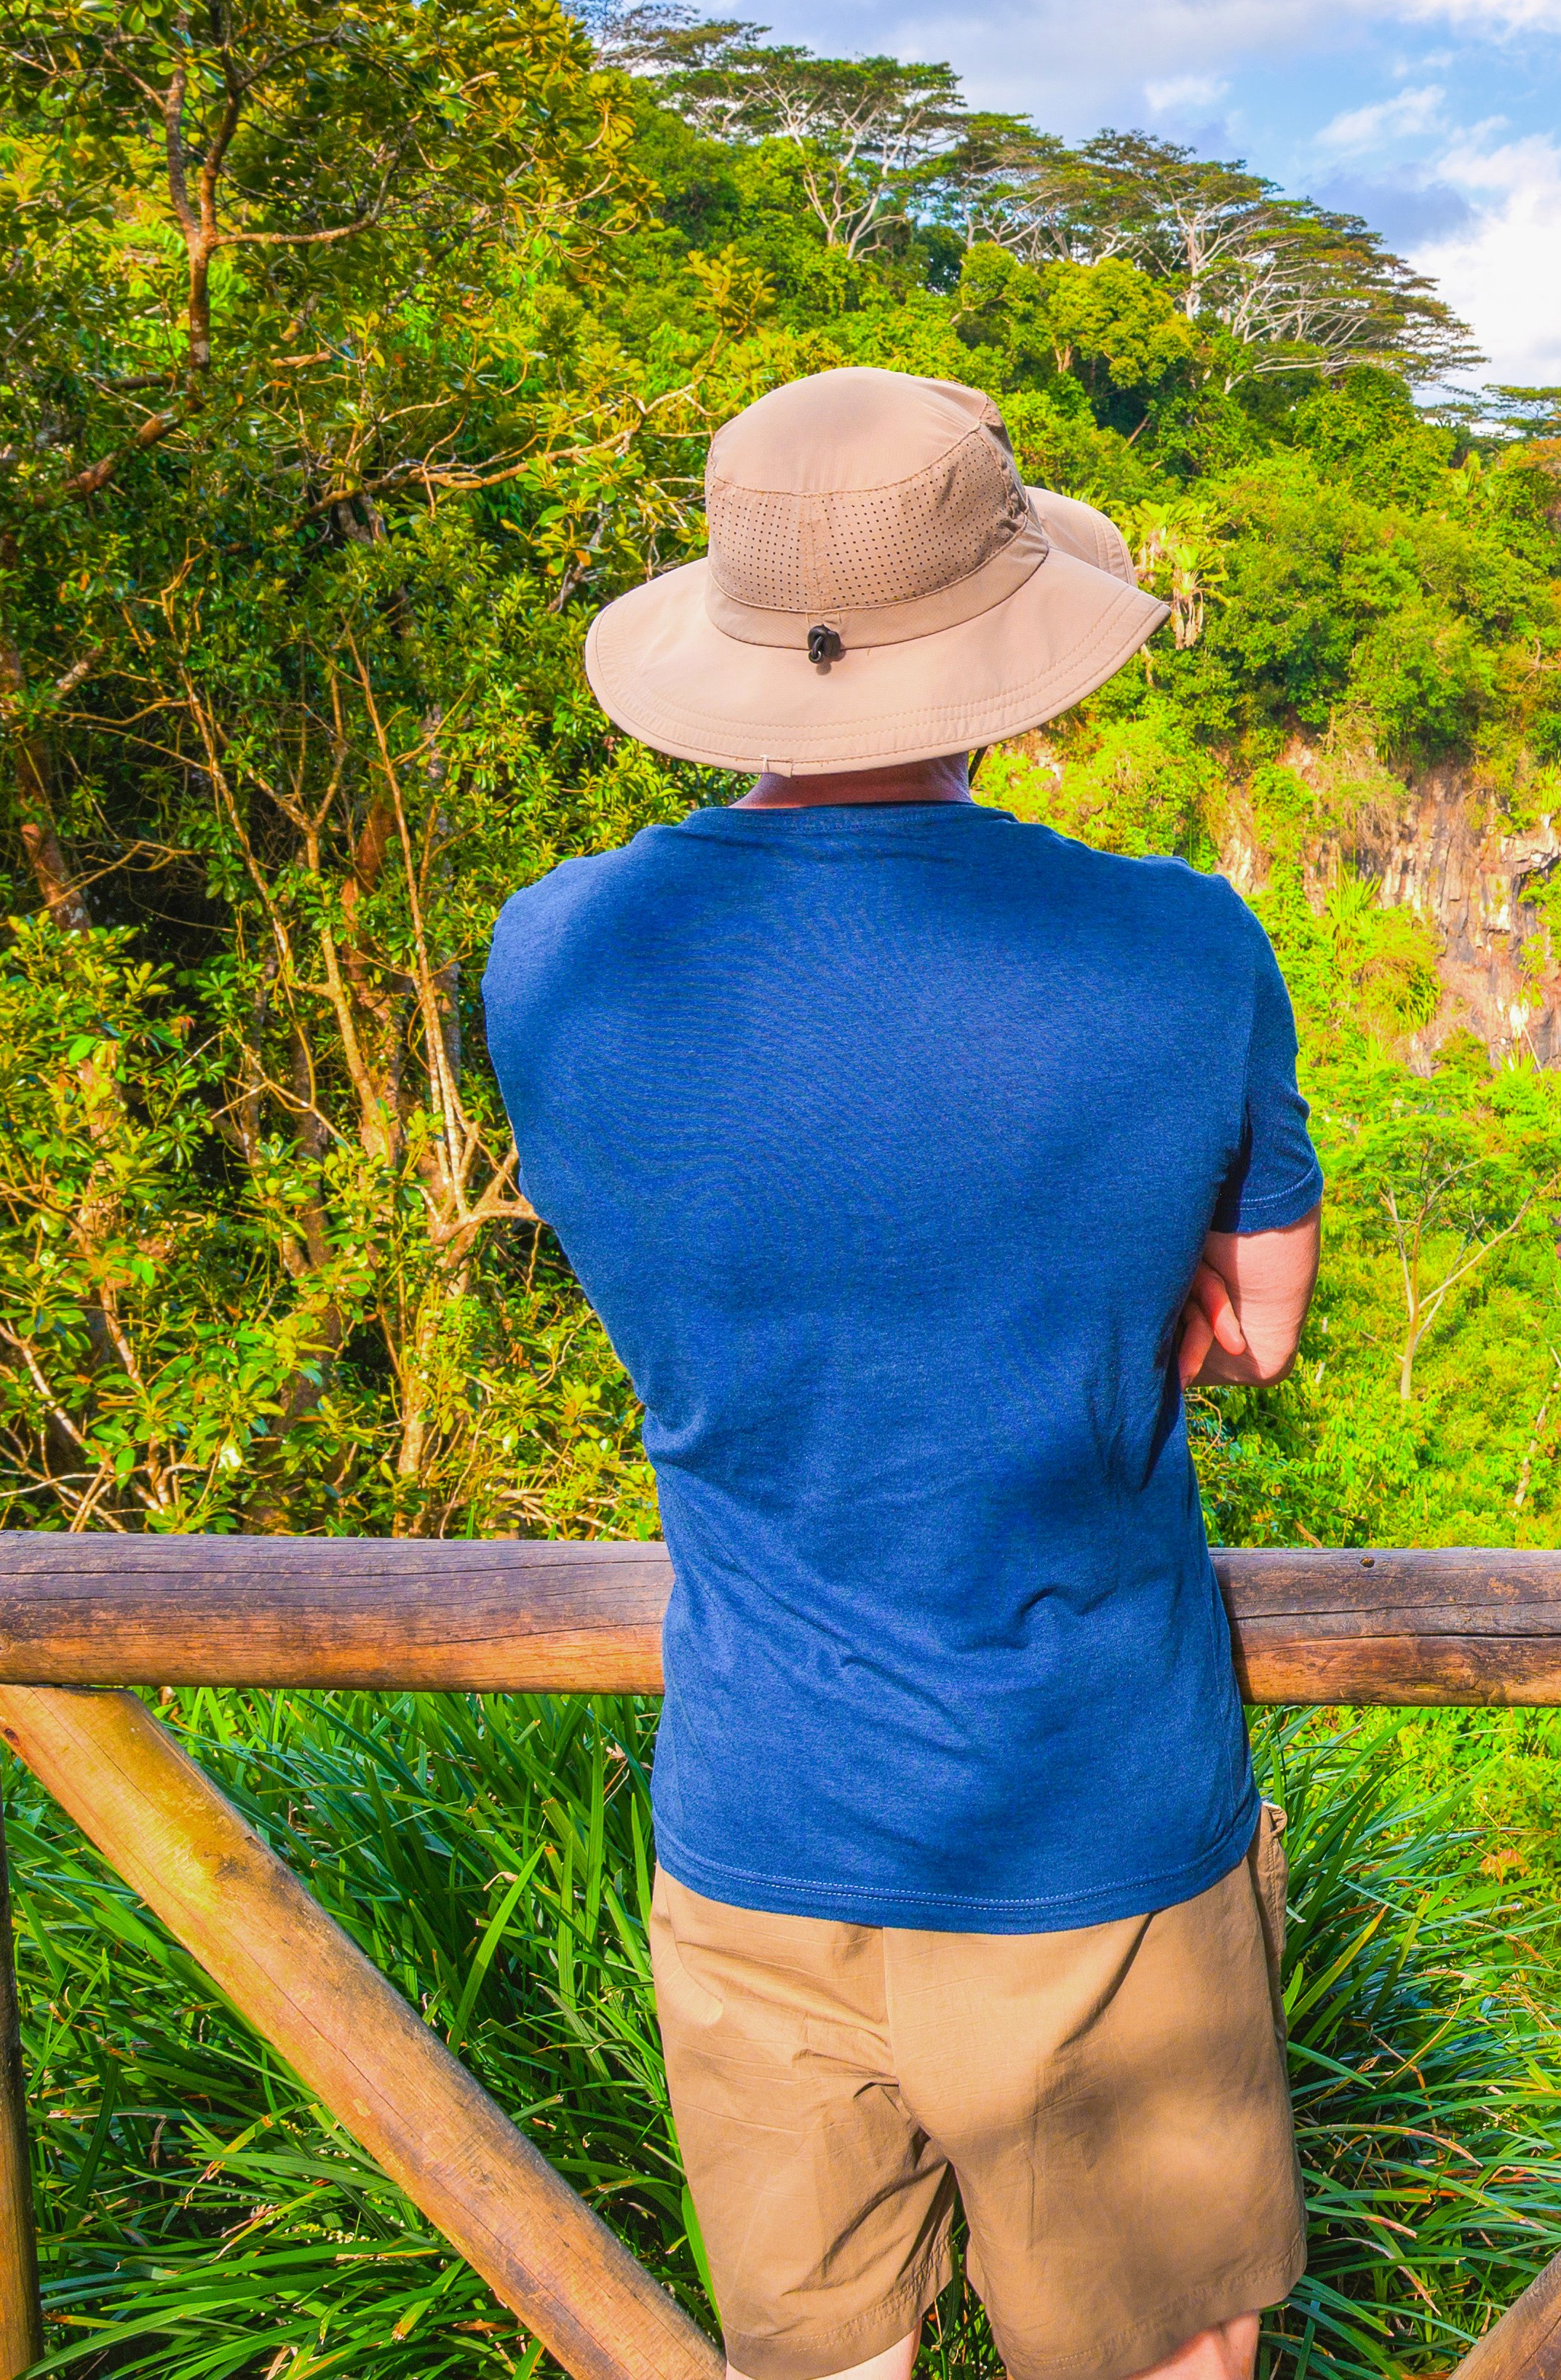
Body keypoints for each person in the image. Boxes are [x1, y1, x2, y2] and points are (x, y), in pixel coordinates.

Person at [480, 366, 1320, 2380]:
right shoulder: (1177, 949)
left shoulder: (554, 953)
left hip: (757, 1826)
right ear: (1011, 658)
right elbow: (1258, 1327)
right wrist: (1101, 1282)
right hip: (1088, 1820)